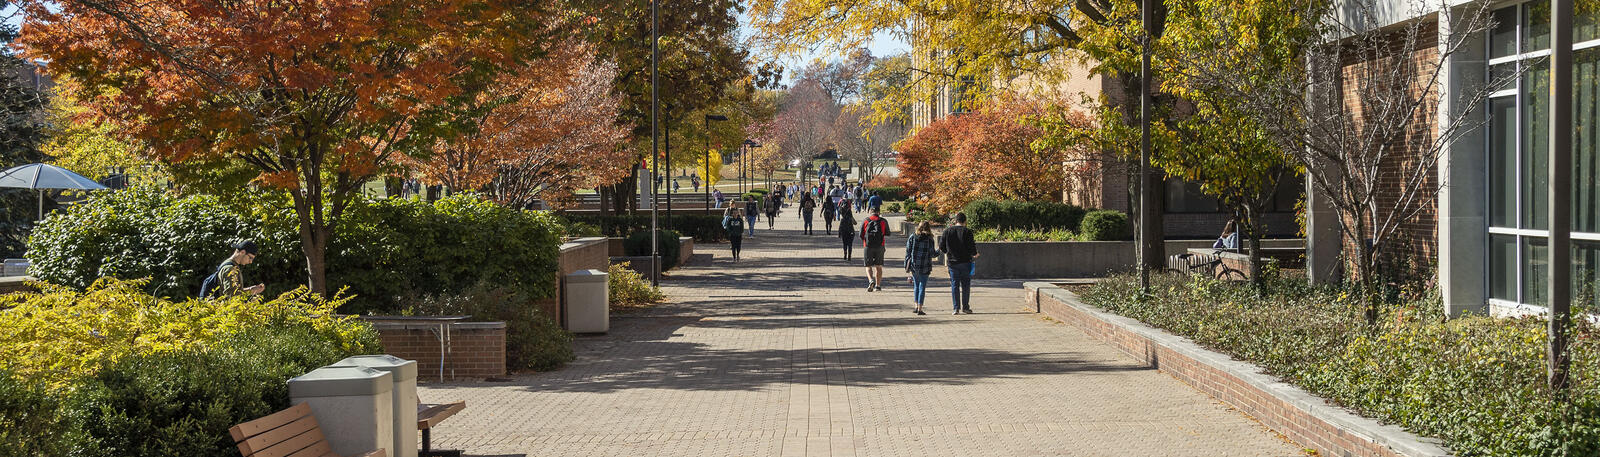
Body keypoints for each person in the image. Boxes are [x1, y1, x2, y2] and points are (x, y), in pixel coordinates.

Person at [939, 212, 979, 314]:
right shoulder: (967, 231)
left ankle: (956, 308)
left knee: (954, 285)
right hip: (965, 262)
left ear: (955, 220)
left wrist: (947, 252)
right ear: (965, 221)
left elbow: (941, 246)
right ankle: (965, 307)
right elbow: (971, 246)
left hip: (952, 262)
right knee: (966, 285)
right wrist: (975, 254)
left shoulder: (947, 231)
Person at [904, 222, 937, 315]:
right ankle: (920, 308)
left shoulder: (913, 237)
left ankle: (915, 306)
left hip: (914, 265)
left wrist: (906, 265)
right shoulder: (930, 239)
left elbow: (908, 252)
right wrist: (939, 250)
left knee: (916, 286)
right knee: (922, 287)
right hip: (925, 266)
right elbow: (933, 254)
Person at [859, 207, 891, 291]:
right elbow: (888, 233)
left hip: (868, 246)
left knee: (868, 266)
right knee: (879, 266)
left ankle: (871, 280)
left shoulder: (866, 220)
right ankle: (878, 286)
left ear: (870, 211)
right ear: (879, 212)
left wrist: (865, 240)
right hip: (880, 245)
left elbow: (860, 234)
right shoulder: (883, 221)